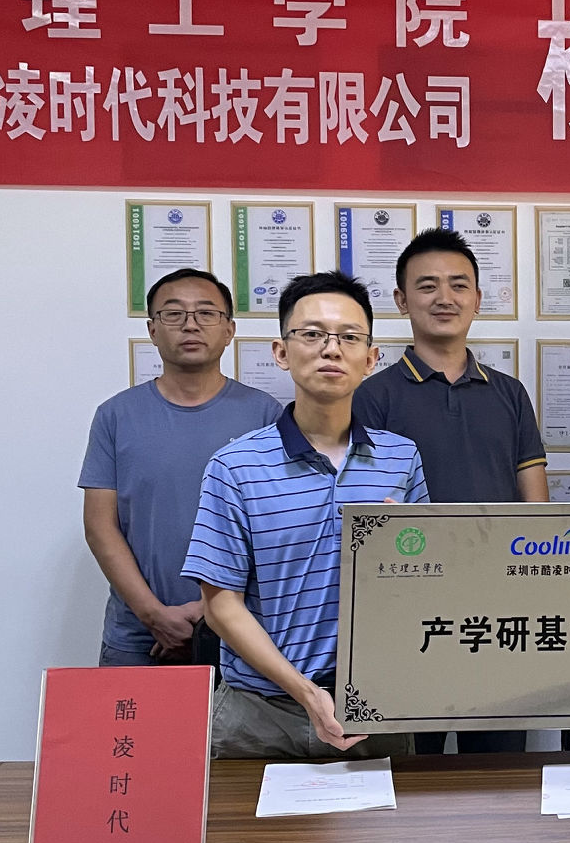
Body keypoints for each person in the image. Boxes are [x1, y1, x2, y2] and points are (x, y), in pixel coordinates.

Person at [181, 271, 426, 760]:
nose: (331, 349)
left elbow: (422, 583)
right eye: (312, 334)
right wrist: (307, 693)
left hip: (373, 708)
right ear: (281, 352)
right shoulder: (235, 466)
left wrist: (406, 555)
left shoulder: (401, 458)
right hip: (259, 715)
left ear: (371, 358)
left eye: (349, 337)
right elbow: (221, 604)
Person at [354, 228, 544, 754]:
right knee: (412, 768)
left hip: (501, 609)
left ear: (477, 299)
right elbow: (369, 516)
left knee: (501, 767)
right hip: (410, 614)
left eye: (459, 285)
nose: (445, 298)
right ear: (401, 300)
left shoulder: (509, 393)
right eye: (427, 286)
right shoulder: (372, 397)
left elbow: (536, 507)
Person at [80, 268, 280, 668]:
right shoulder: (115, 416)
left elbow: (275, 528)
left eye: (206, 313)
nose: (191, 325)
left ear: (229, 330)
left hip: (242, 632)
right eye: (174, 314)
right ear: (152, 330)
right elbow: (100, 526)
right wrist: (154, 615)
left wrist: (210, 612)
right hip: (137, 636)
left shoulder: (265, 416)